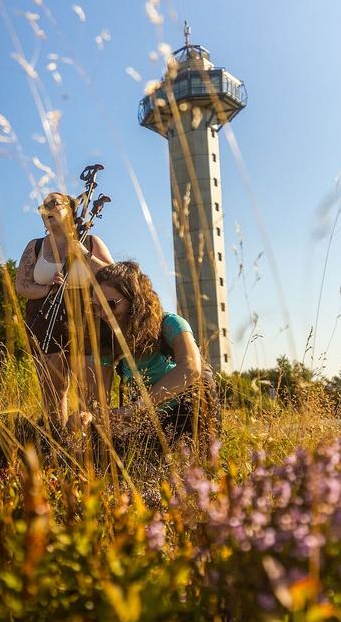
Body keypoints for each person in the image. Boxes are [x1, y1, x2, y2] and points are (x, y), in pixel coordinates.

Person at [82, 261, 218, 450]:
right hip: (144, 419)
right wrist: (91, 416)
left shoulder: (170, 323)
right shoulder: (106, 338)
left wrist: (136, 408)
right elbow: (99, 397)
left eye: (110, 304)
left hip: (184, 412)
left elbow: (191, 367)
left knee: (204, 385)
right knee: (97, 444)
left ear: (134, 300)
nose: (103, 313)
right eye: (96, 306)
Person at [14, 191, 114, 427]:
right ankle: (57, 442)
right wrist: (47, 288)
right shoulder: (35, 246)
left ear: (70, 209)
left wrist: (84, 254)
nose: (46, 209)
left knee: (89, 389)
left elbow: (113, 276)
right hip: (45, 319)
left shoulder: (90, 241)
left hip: (87, 319)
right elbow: (21, 284)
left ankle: (90, 444)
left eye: (53, 204)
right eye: (43, 206)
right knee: (53, 388)